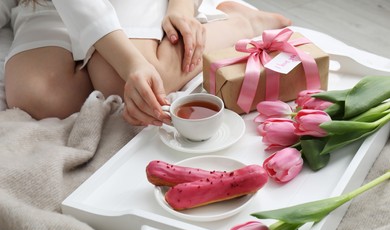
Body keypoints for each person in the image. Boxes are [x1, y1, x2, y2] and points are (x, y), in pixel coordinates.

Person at [4, 0, 291, 126]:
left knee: (118, 80)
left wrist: (180, 7)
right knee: (39, 96)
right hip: (45, 4)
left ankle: (244, 22)